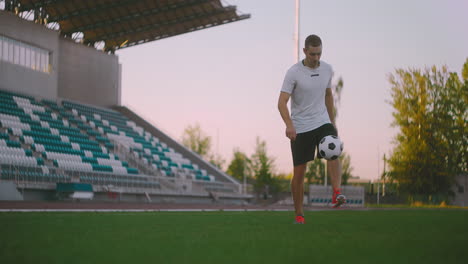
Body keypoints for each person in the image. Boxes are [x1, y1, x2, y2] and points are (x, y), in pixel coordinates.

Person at [277, 34, 346, 224]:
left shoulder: (327, 69)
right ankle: (299, 214)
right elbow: (281, 103)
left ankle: (337, 192)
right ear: (305, 51)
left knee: (334, 149)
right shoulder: (293, 72)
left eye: (319, 54)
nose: (316, 58)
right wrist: (289, 125)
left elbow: (328, 94)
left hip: (322, 120)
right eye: (313, 54)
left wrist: (332, 122)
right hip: (300, 127)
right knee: (299, 173)